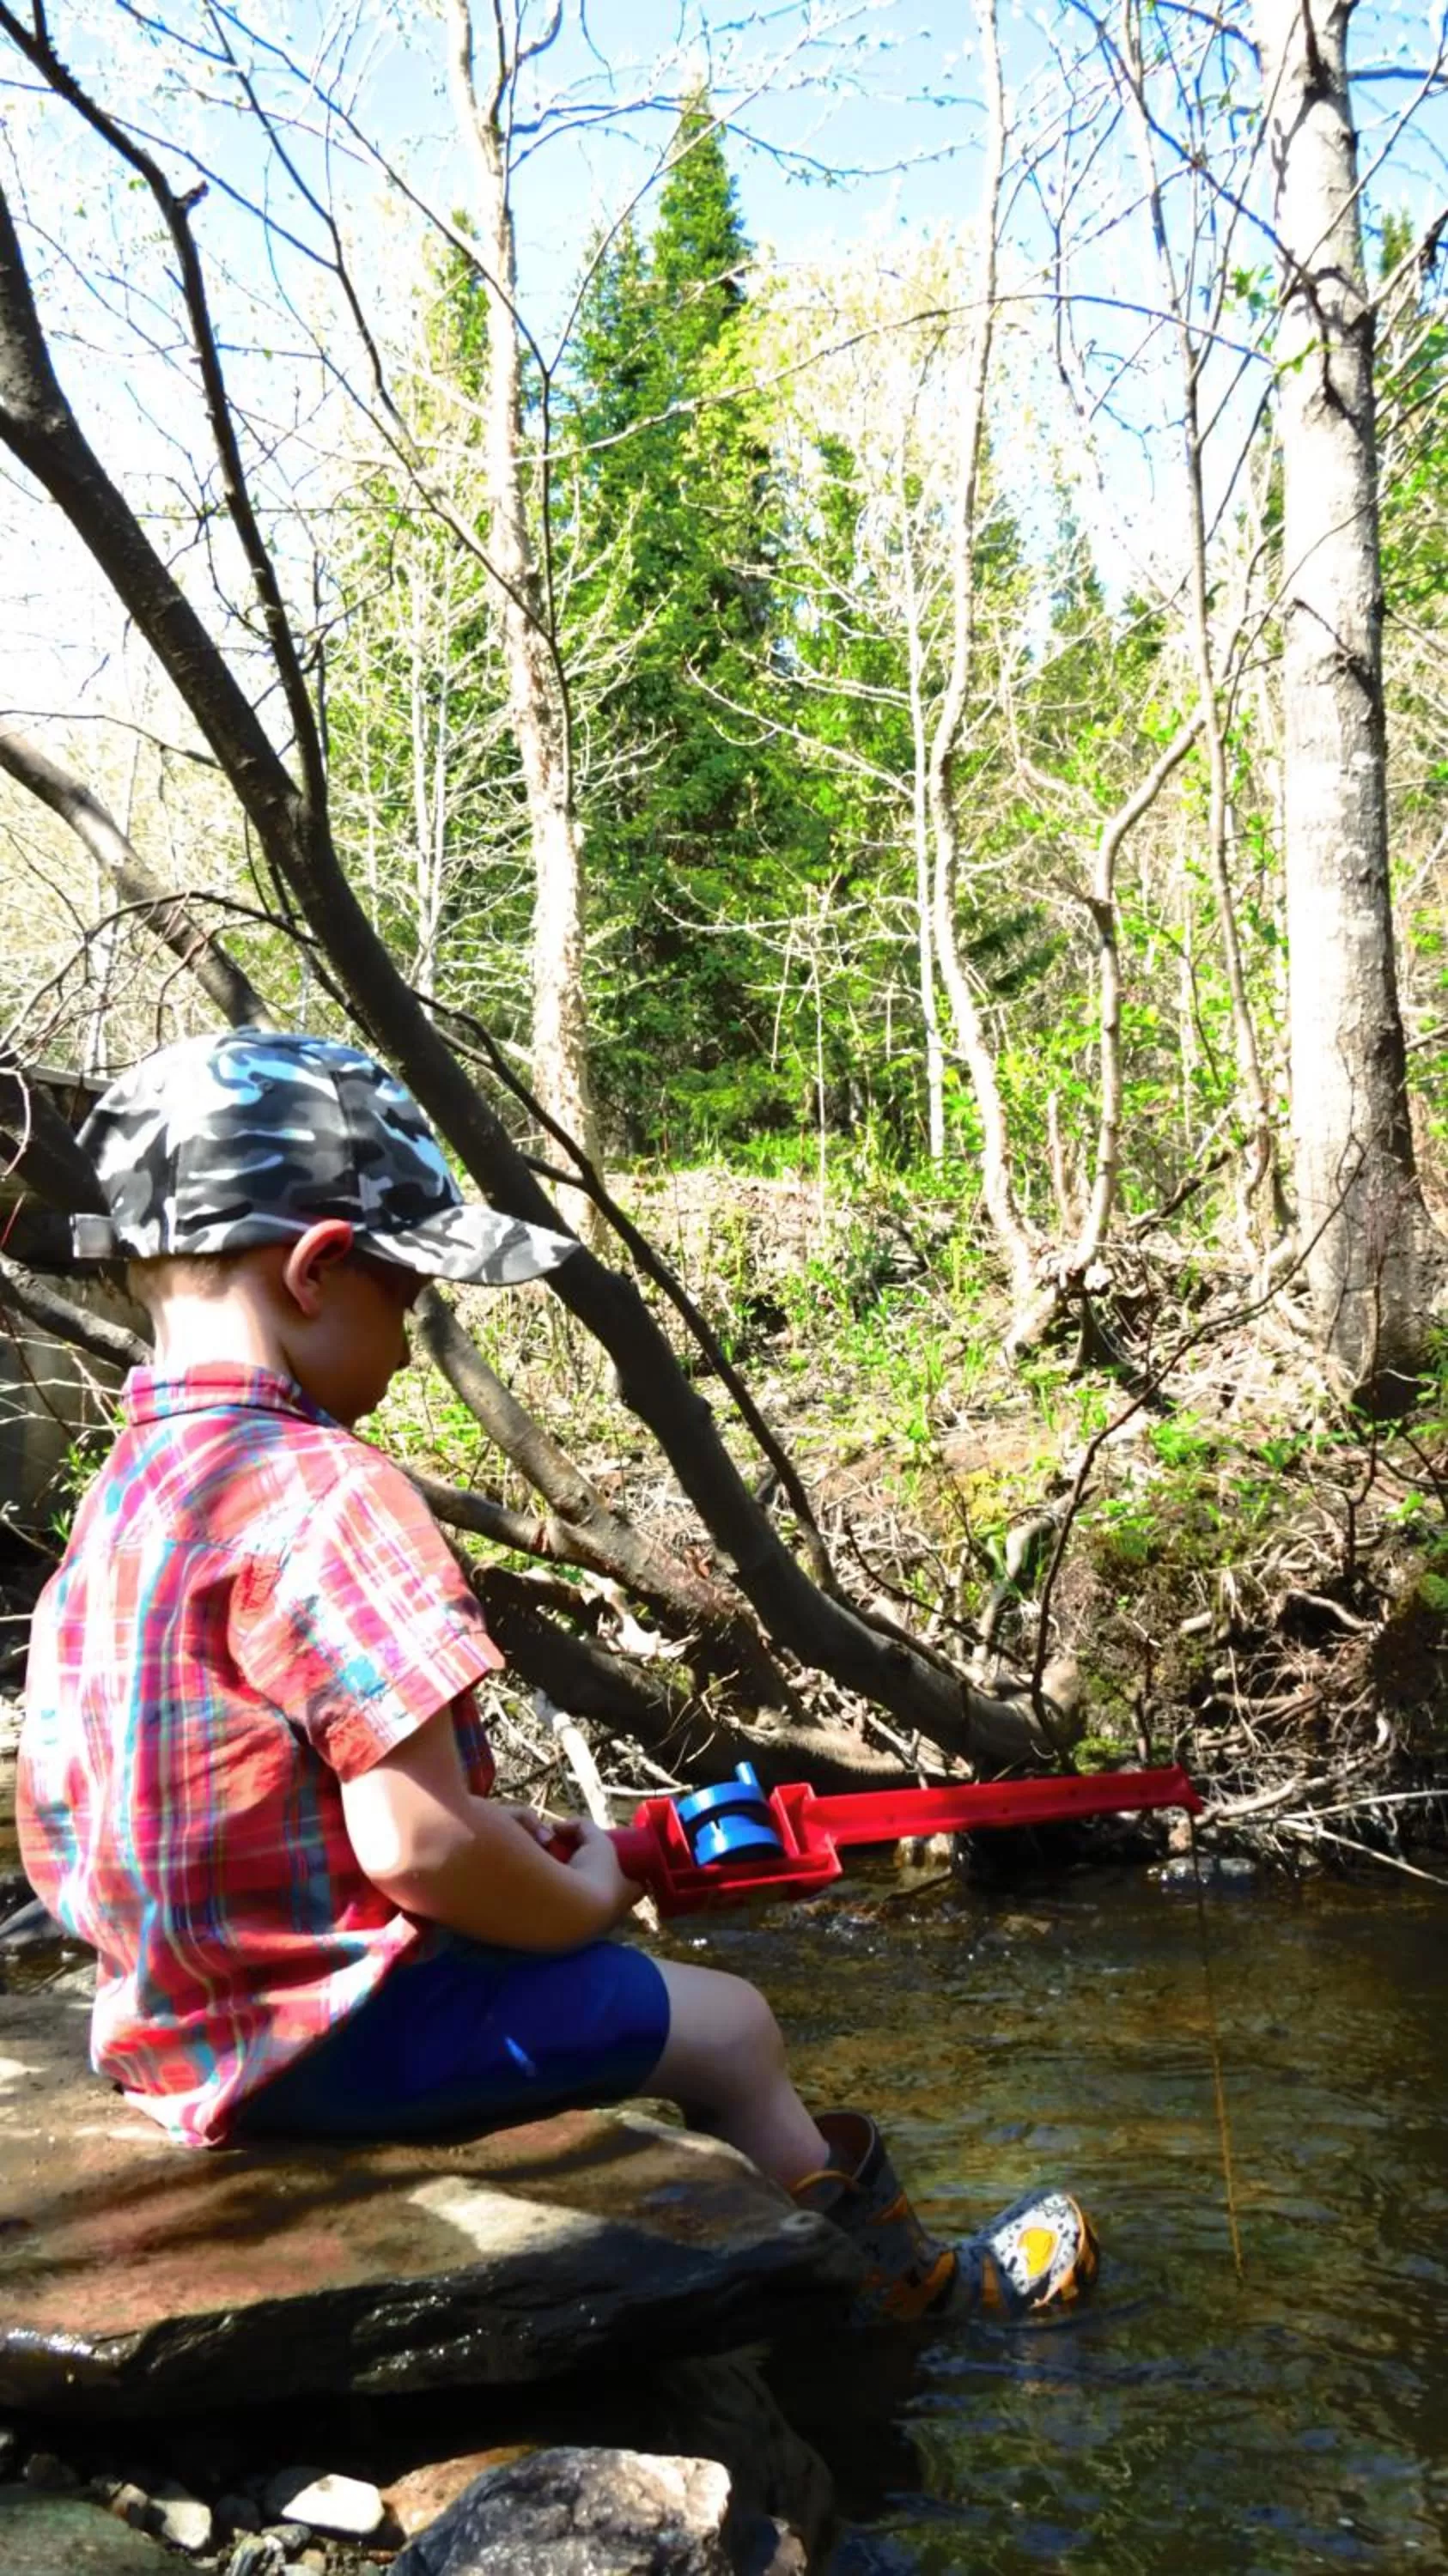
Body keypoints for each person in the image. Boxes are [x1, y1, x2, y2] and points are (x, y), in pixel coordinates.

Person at [18, 1028, 1098, 2325]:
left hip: (168, 2028)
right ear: (315, 1270)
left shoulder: (127, 1497)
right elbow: (415, 1846)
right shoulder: (328, 1492)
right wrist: (574, 1905)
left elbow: (96, 1807)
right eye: (407, 1298)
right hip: (319, 2045)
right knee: (733, 2028)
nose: (411, 1343)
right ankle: (889, 2305)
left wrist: (496, 1857)